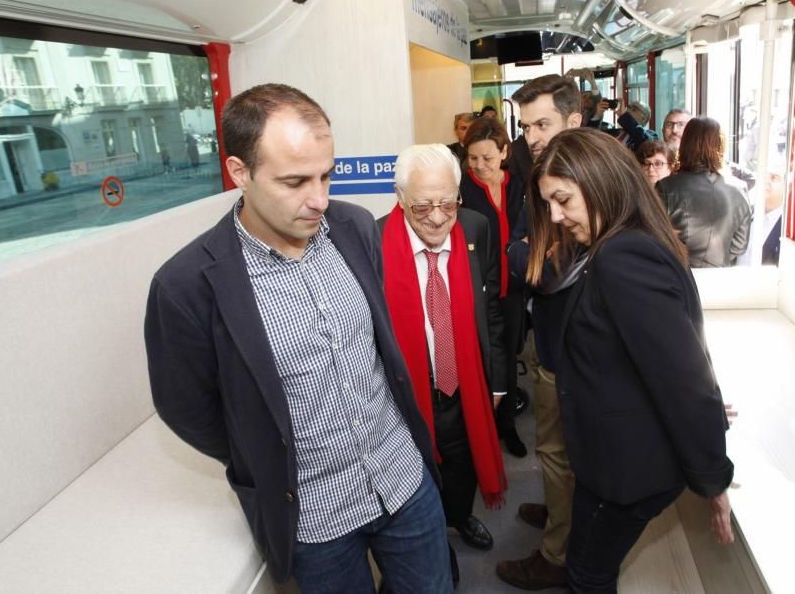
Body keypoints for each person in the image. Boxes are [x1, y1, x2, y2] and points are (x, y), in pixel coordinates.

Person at [144, 83, 451, 593]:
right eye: (294, 181)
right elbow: (186, 409)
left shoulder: (354, 227)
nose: (319, 199)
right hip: (312, 518)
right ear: (239, 172)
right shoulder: (186, 287)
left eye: (326, 175)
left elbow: (378, 346)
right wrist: (257, 448)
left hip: (402, 477)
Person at [526, 127, 735, 592]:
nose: (556, 216)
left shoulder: (622, 256)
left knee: (586, 573)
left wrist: (714, 480)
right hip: (621, 461)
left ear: (601, 183)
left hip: (625, 472)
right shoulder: (628, 240)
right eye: (549, 204)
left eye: (564, 199)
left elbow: (682, 378)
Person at [379, 143, 508, 585]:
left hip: (464, 384)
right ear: (400, 199)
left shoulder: (476, 228)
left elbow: (492, 312)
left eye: (446, 203)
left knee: (463, 460)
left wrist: (500, 383)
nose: (437, 217)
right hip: (407, 393)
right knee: (418, 477)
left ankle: (460, 516)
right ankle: (433, 545)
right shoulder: (373, 244)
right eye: (422, 206)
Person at [496, 73, 582, 591]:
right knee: (555, 451)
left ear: (574, 120)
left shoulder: (583, 179)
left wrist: (515, 251)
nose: (531, 136)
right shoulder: (547, 166)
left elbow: (546, 267)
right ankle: (557, 515)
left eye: (542, 123)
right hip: (553, 333)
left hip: (571, 346)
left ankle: (556, 554)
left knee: (560, 454)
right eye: (526, 126)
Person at [459, 116, 526, 458]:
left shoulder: (519, 185)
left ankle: (508, 426)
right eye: (472, 158)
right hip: (477, 288)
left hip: (514, 286)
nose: (479, 166)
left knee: (509, 356)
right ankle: (479, 430)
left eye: (487, 158)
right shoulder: (462, 189)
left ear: (504, 152)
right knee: (482, 359)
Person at [656, 117, 752, 268]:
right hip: (719, 278)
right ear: (721, 146)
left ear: (685, 144)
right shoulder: (739, 189)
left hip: (678, 275)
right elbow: (739, 246)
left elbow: (656, 238)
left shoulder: (666, 187)